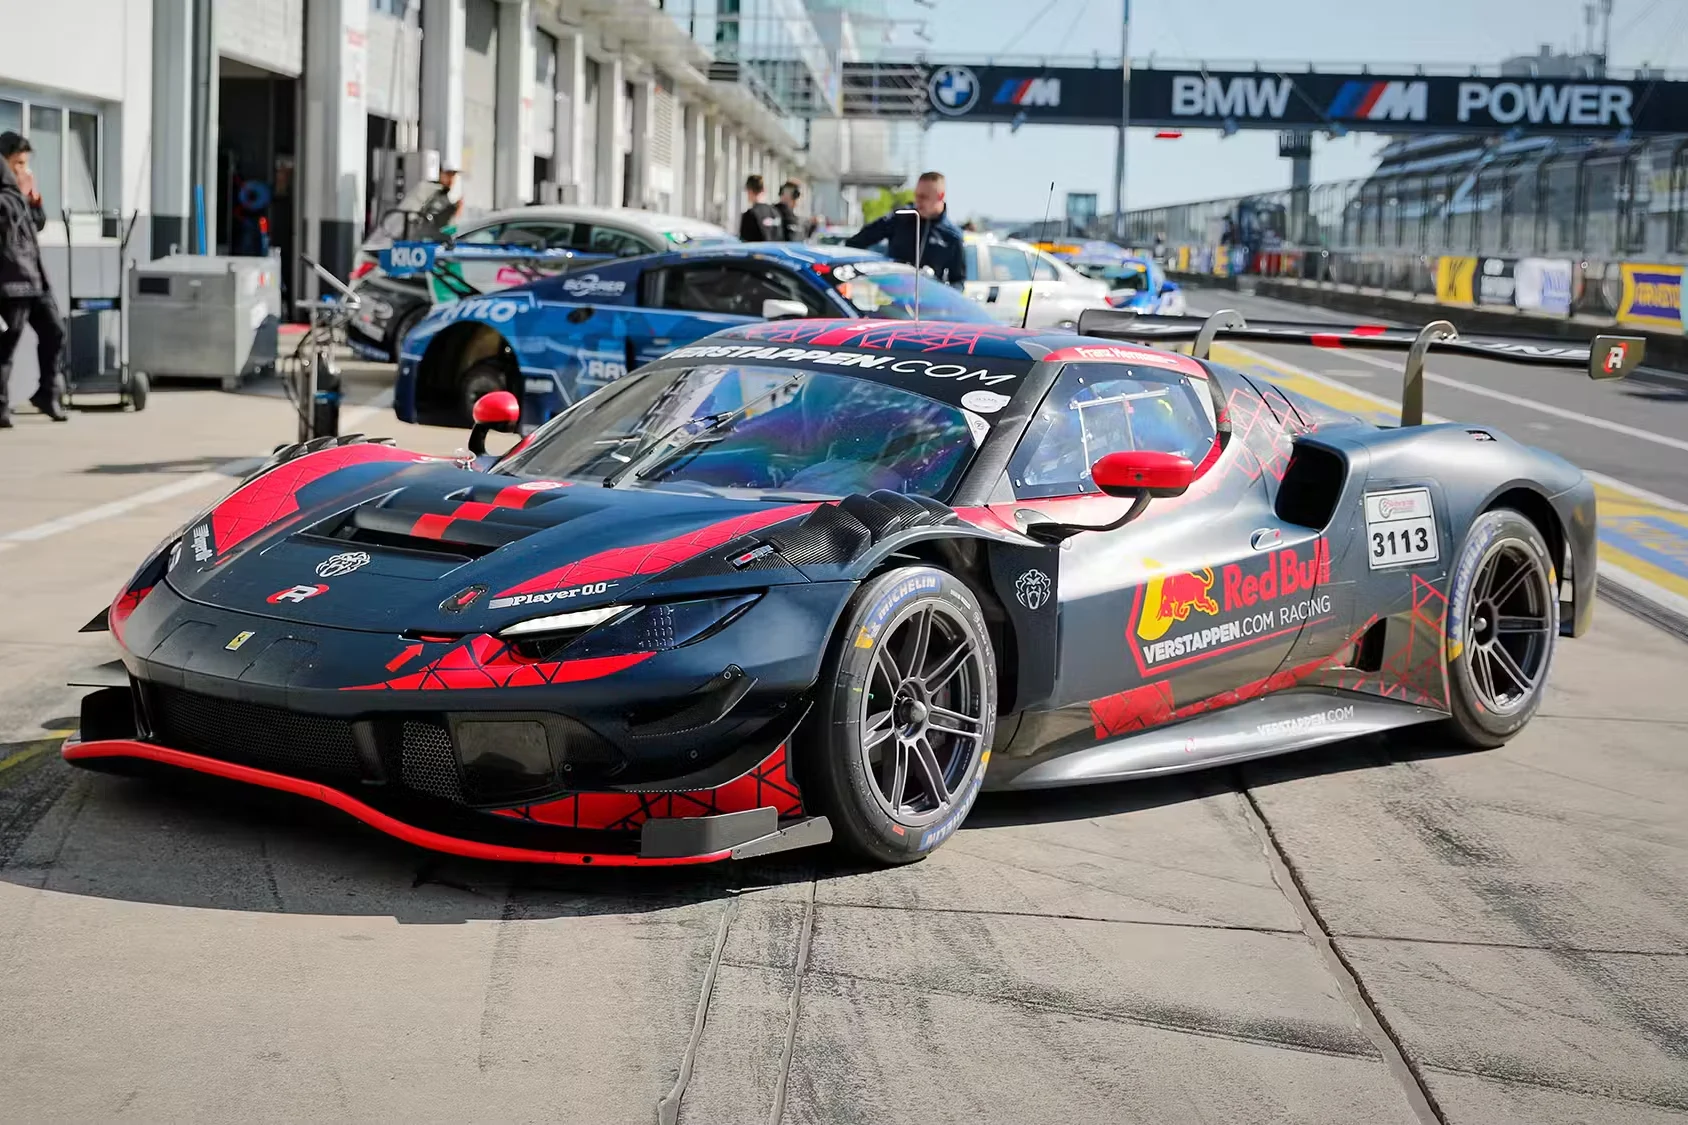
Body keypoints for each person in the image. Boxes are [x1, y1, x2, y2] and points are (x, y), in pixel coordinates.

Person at [0, 132, 68, 425]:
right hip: (9, 279)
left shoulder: (18, 191)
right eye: (17, 163)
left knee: (55, 330)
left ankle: (47, 393)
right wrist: (17, 194)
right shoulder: (5, 193)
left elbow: (36, 224)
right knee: (7, 343)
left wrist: (33, 199)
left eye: (25, 164)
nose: (23, 170)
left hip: (34, 276)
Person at [845, 171, 966, 288]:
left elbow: (958, 281)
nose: (918, 201)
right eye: (916, 195)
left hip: (927, 302)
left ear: (940, 196)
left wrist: (942, 294)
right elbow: (856, 242)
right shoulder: (900, 218)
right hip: (892, 298)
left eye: (924, 197)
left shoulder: (952, 236)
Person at [739, 175, 781, 242]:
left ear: (749, 190)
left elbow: (745, 243)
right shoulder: (775, 212)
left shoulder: (750, 214)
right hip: (775, 252)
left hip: (757, 252)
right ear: (763, 190)